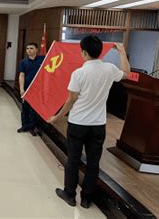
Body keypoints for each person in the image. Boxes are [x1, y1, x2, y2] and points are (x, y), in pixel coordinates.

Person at [49, 36, 130, 209]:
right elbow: (127, 73)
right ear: (100, 51)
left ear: (84, 52)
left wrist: (56, 117)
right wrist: (122, 52)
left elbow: (71, 100)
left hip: (78, 124)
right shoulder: (109, 69)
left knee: (73, 159)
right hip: (98, 125)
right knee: (93, 163)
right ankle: (86, 199)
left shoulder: (79, 73)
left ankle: (69, 195)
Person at [18, 42, 45, 136]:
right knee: (25, 108)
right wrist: (22, 89)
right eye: (28, 48)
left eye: (31, 48)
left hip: (38, 90)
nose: (29, 50)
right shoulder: (23, 62)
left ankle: (32, 127)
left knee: (34, 110)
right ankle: (24, 126)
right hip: (27, 89)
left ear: (36, 49)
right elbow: (21, 75)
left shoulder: (42, 60)